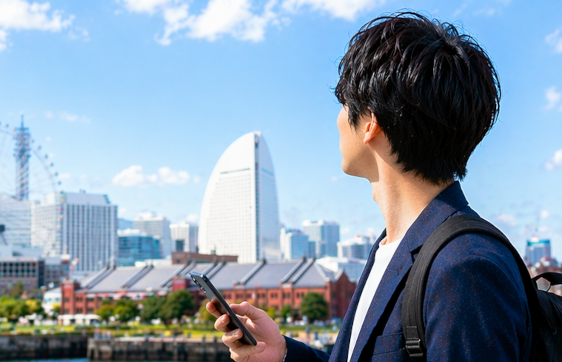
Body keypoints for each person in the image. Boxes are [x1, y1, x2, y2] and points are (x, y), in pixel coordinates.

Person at [208, 11, 529, 362]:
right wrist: (283, 355)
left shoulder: (463, 269)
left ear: (370, 123)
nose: (337, 119)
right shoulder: (393, 247)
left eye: (345, 104)